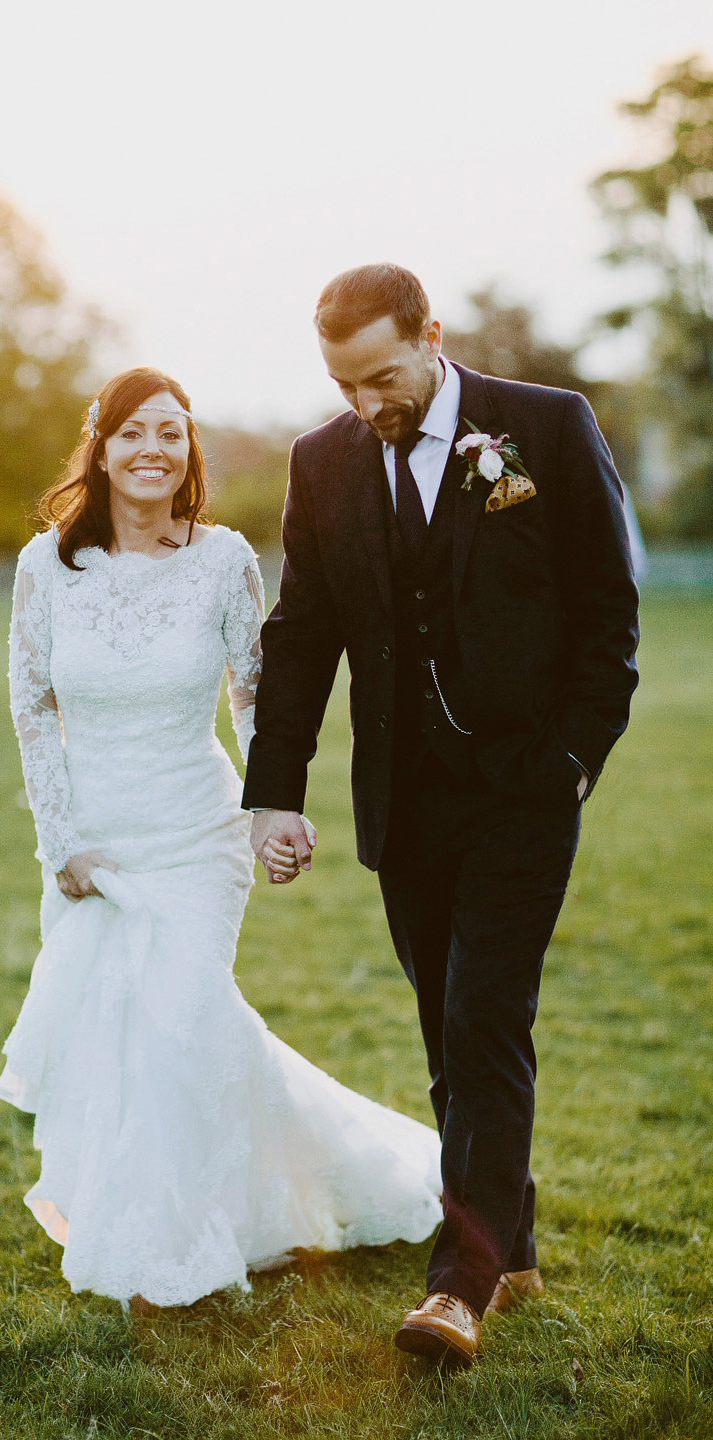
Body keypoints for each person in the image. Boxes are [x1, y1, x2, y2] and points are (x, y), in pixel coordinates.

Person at [243, 265, 639, 1366]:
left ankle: (458, 1288)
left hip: (525, 790)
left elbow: (610, 612)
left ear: (431, 336)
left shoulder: (544, 429)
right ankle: (508, 1240)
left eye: (382, 377)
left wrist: (571, 762)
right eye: (343, 384)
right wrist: (275, 787)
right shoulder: (322, 462)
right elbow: (302, 631)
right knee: (444, 1033)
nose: (367, 406)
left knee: (482, 1018)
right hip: (403, 801)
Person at [0, 365, 442, 1310]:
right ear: (102, 449)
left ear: (188, 451)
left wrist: (271, 807)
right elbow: (33, 709)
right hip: (93, 838)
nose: (153, 449)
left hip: (199, 833)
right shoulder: (45, 566)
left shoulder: (225, 561)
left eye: (171, 432)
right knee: (111, 1032)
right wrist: (59, 842)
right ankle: (148, 1213)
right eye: (133, 433)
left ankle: (171, 1253)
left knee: (180, 1023)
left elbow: (255, 699)